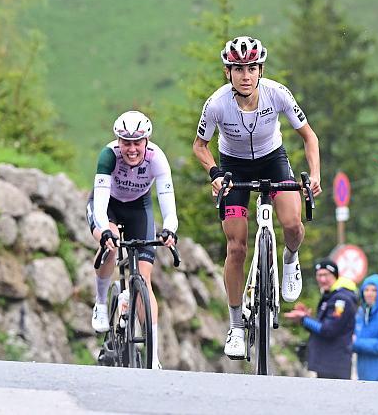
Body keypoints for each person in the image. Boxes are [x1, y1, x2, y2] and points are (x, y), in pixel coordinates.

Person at [193, 36, 322, 360]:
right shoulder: (217, 104)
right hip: (233, 166)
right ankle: (236, 326)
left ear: (260, 70)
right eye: (238, 69)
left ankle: (290, 259)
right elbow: (200, 146)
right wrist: (214, 174)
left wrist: (315, 175)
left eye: (251, 68)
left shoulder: (277, 94)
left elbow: (308, 136)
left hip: (272, 159)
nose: (245, 75)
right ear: (228, 73)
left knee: (292, 224)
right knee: (236, 247)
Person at [87, 110, 178, 370]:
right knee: (111, 243)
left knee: (145, 279)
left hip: (139, 207)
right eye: (126, 142)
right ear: (118, 141)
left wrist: (169, 230)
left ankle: (153, 356)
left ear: (146, 141)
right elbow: (101, 207)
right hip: (109, 207)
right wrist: (105, 231)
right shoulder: (108, 156)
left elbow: (169, 209)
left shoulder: (157, 159)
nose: (132, 148)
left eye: (137, 142)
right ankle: (102, 303)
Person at [284, 260, 358, 379]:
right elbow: (323, 326)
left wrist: (304, 319)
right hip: (326, 363)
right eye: (319, 275)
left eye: (326, 275)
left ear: (335, 276)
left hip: (335, 364)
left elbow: (329, 330)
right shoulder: (330, 296)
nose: (322, 279)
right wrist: (306, 318)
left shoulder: (341, 300)